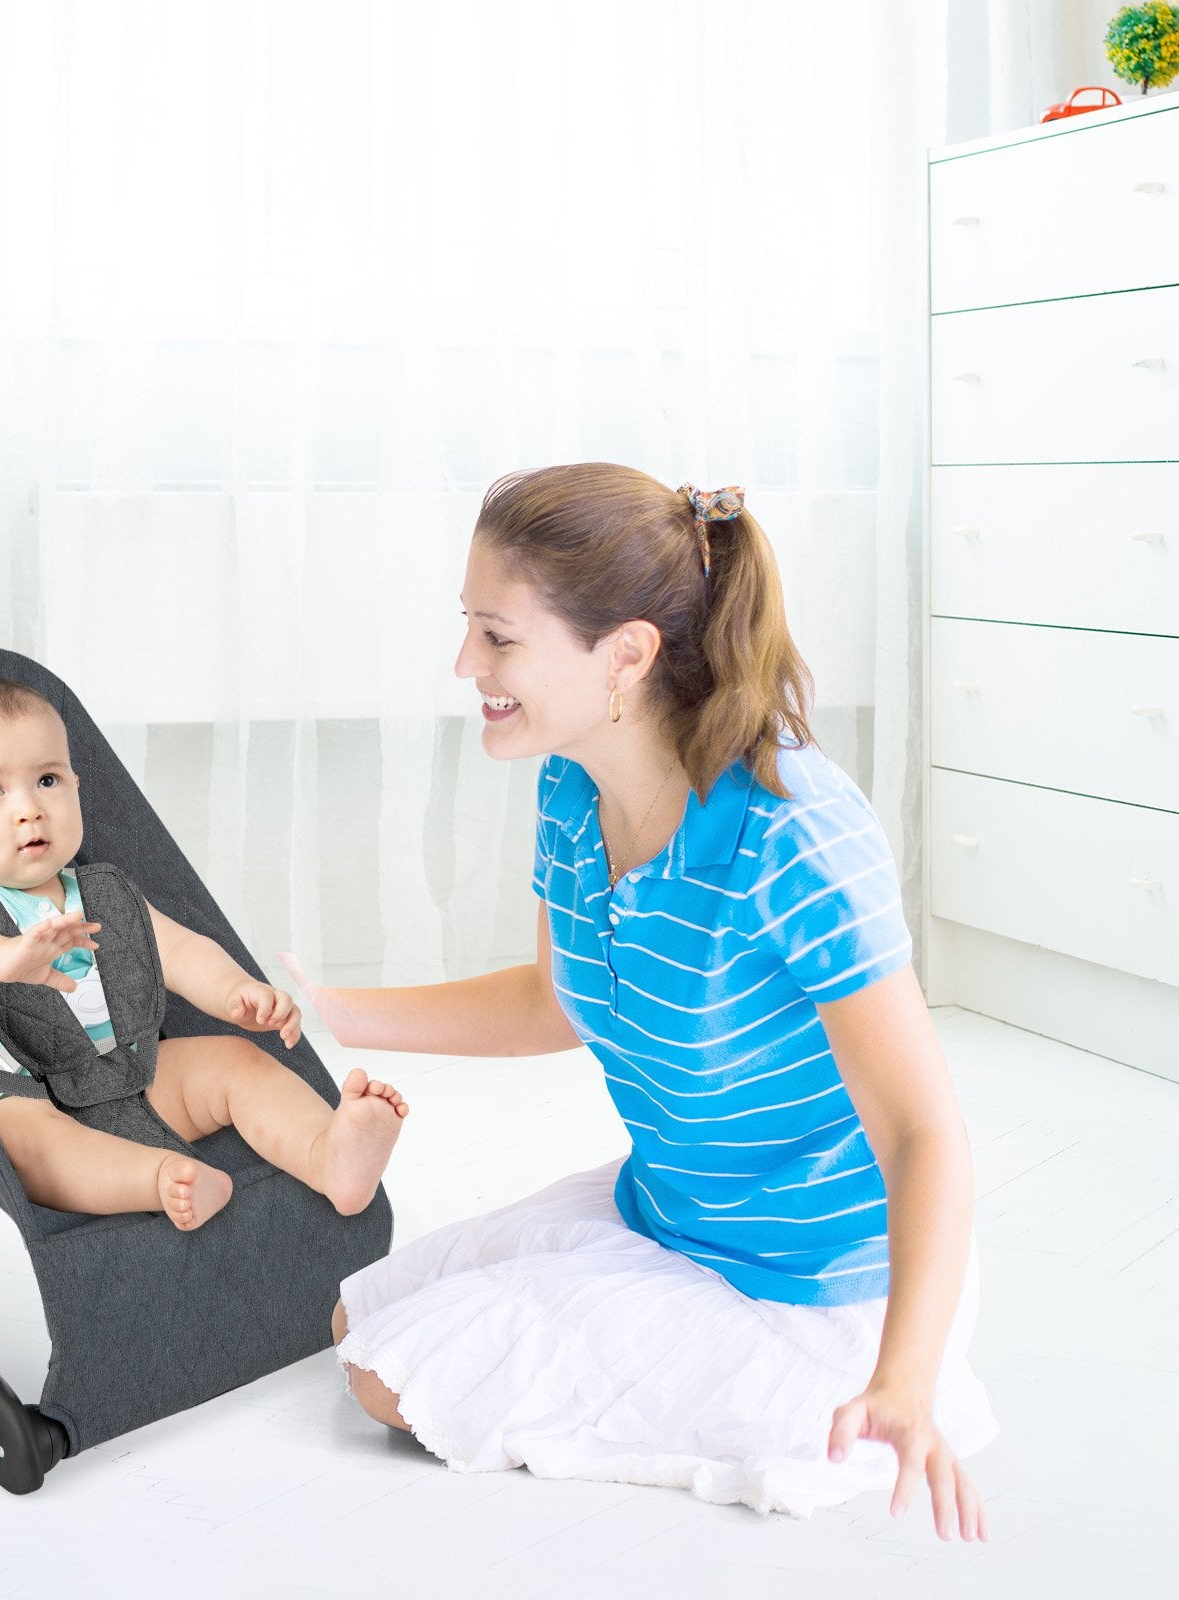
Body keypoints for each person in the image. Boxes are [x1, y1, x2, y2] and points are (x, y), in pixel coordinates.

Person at [284, 463, 998, 1534]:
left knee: (386, 1381)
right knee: (358, 1315)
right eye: (467, 628)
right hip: (667, 1211)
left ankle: (819, 1404)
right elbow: (553, 1000)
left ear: (623, 653)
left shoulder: (792, 834)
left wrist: (904, 1375)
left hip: (813, 1288)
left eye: (498, 636)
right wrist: (329, 1009)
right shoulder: (571, 783)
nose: (464, 663)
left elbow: (921, 1131)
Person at [0, 676, 407, 1230]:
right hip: (29, 1099)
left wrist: (235, 991)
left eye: (47, 780)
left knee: (234, 1062)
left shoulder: (103, 892)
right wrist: (0, 959)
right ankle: (159, 1177)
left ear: (75, 786)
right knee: (30, 1148)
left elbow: (180, 950)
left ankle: (329, 1155)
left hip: (131, 1071)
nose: (29, 809)